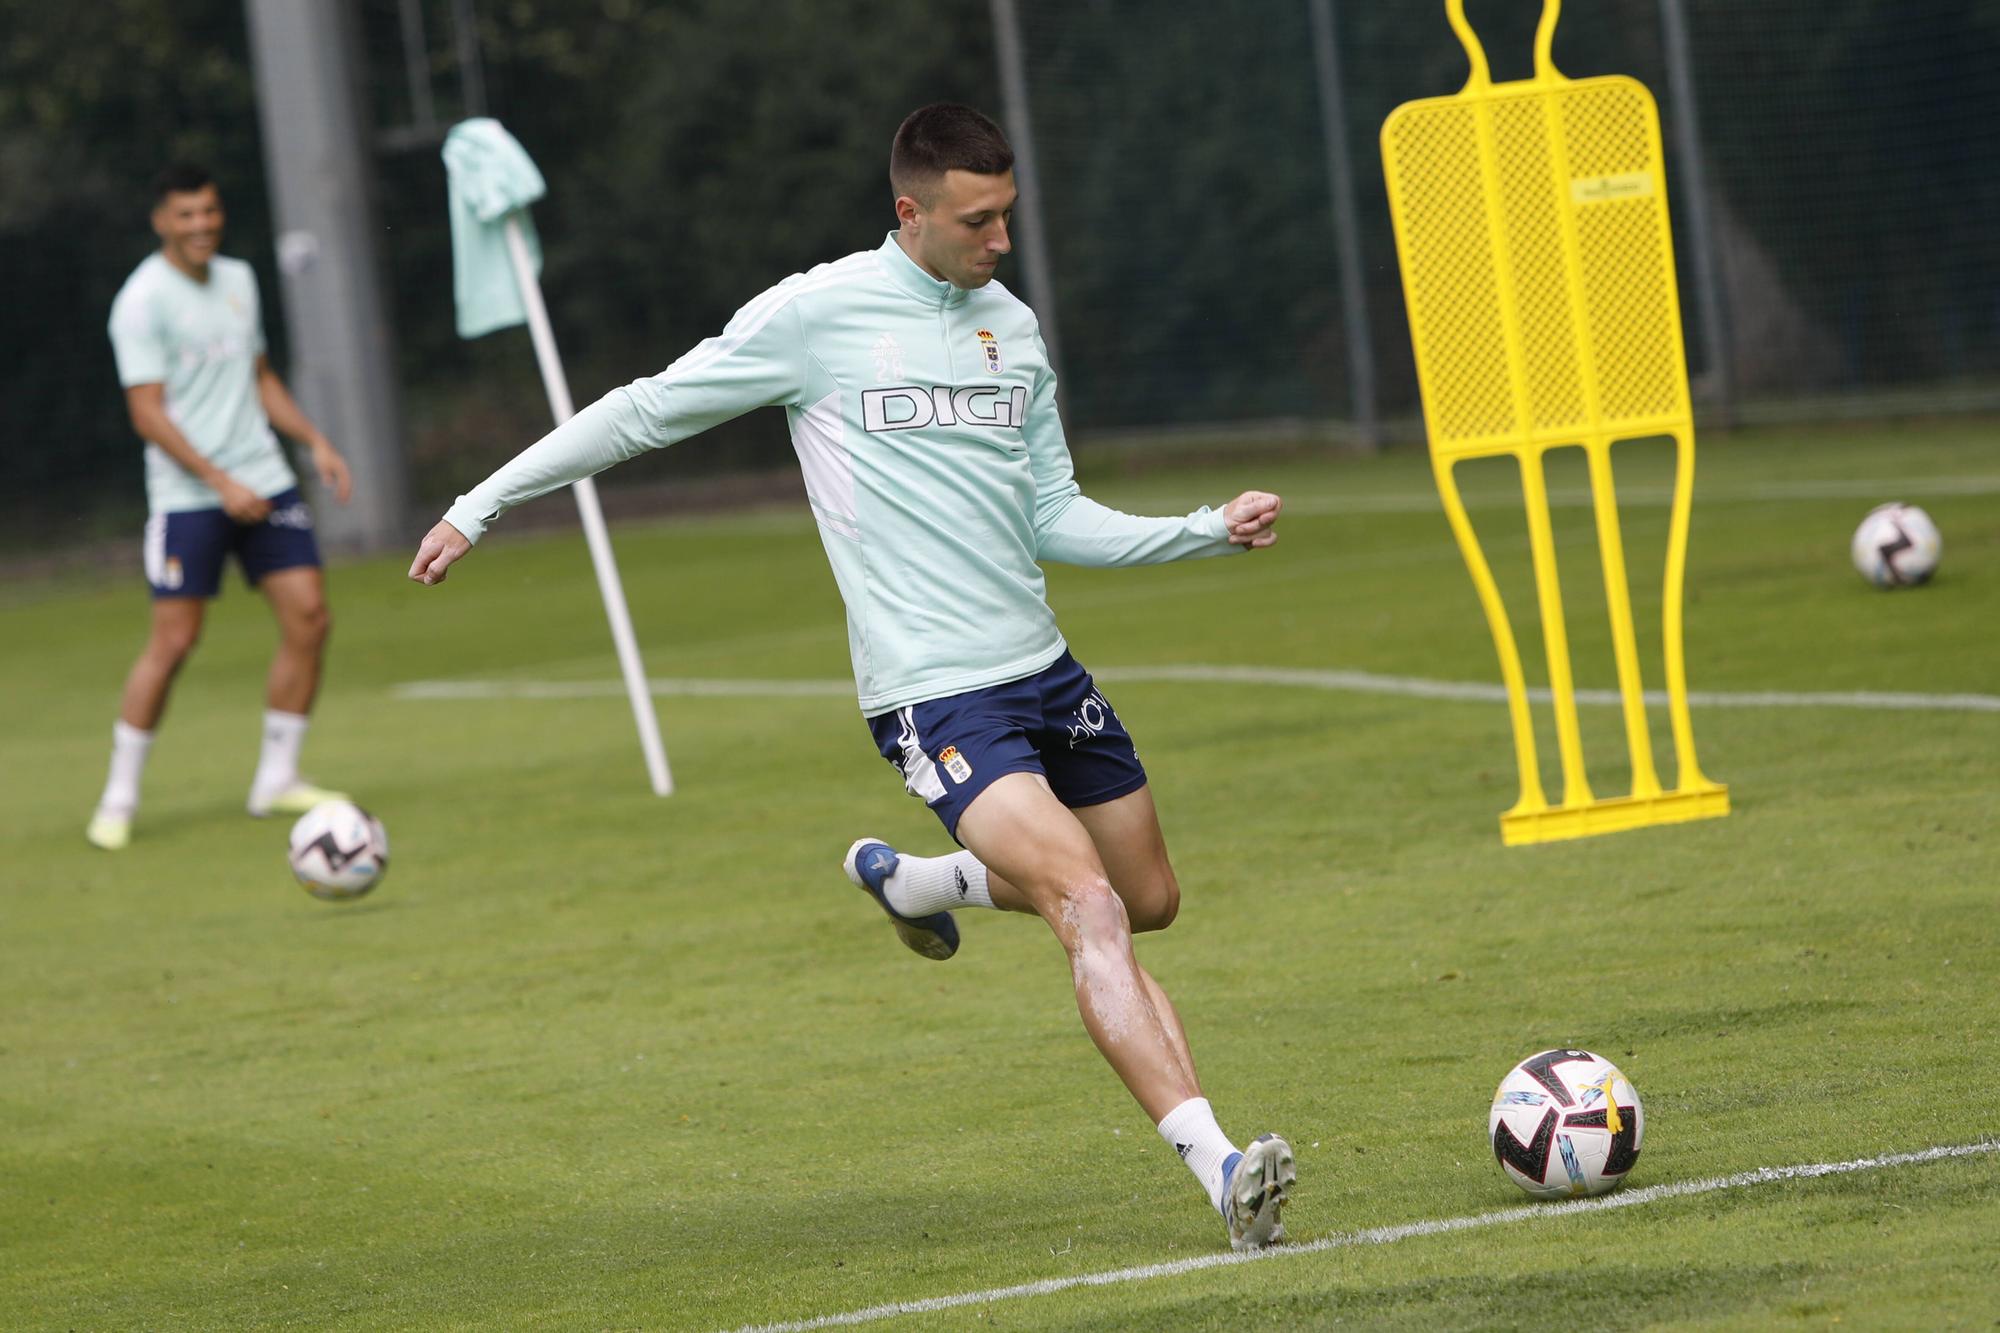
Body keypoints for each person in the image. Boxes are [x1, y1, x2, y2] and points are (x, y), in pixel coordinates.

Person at [407, 104, 1295, 1249]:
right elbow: (637, 415)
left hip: (1044, 670)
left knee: (1147, 900)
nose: (999, 242)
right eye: (976, 221)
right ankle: (1223, 1171)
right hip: (934, 693)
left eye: (1007, 217)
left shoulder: (1010, 330)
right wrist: (479, 506)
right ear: (908, 212)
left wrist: (1200, 529)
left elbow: (1052, 513)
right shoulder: (814, 316)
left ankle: (924, 885)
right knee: (1086, 907)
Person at [88, 164, 354, 851]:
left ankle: (277, 776)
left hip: (264, 479)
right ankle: (118, 797)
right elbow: (147, 414)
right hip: (188, 497)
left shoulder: (239, 279)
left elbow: (258, 375)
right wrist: (216, 480)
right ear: (161, 221)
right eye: (186, 215)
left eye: (209, 211)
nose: (200, 225)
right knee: (174, 642)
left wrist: (313, 440)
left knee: (310, 616)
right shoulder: (141, 301)